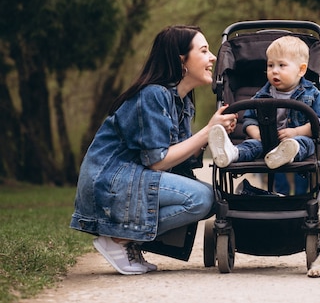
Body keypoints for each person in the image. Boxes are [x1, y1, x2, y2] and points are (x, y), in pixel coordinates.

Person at [70, 25, 238, 275]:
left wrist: (214, 135)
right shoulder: (153, 95)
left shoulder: (180, 103)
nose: (212, 57)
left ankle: (128, 241)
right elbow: (157, 161)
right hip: (111, 182)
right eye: (204, 51)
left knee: (213, 198)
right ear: (182, 59)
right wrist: (206, 131)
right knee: (201, 198)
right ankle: (117, 240)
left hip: (132, 180)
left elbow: (178, 159)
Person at [207, 35, 320, 194]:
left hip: (298, 140)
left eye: (281, 65)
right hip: (267, 142)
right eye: (270, 65)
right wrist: (256, 133)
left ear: (301, 69)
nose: (274, 71)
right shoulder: (261, 95)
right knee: (252, 145)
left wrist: (296, 132)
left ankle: (289, 154)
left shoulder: (311, 94)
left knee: (305, 143)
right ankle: (232, 153)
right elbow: (249, 119)